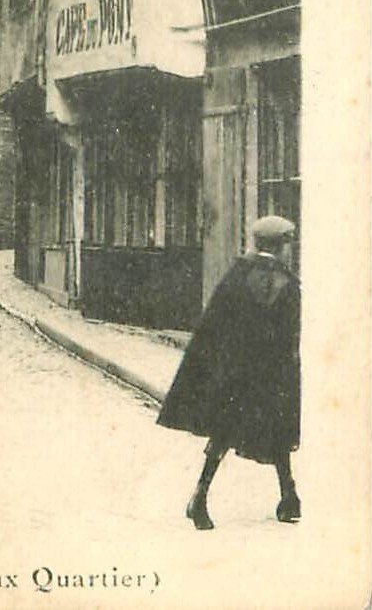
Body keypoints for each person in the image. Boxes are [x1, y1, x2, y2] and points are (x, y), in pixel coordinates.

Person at [157, 213, 301, 530]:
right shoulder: (288, 284)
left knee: (222, 433)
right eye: (288, 244)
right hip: (271, 375)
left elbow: (213, 326)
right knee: (278, 430)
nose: (290, 250)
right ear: (280, 247)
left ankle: (201, 496)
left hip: (235, 373)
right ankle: (288, 498)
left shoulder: (236, 276)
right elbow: (291, 338)